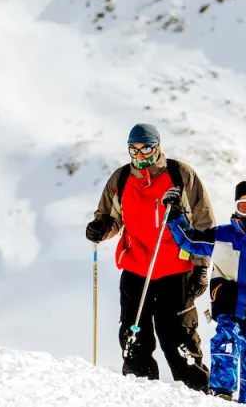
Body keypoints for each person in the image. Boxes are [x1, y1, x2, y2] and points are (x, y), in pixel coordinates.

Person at [84, 124, 214, 390]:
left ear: (158, 147)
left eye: (146, 149)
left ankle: (198, 394)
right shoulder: (121, 179)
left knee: (179, 340)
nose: (140, 155)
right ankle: (140, 393)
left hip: (175, 270)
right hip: (136, 270)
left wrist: (201, 268)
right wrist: (101, 229)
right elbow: (110, 218)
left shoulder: (180, 175)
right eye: (134, 149)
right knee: (134, 341)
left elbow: (203, 224)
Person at [165, 180, 246, 404]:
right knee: (226, 339)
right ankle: (222, 394)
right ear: (236, 207)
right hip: (227, 301)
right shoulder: (222, 235)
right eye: (243, 206)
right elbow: (189, 240)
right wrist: (175, 213)